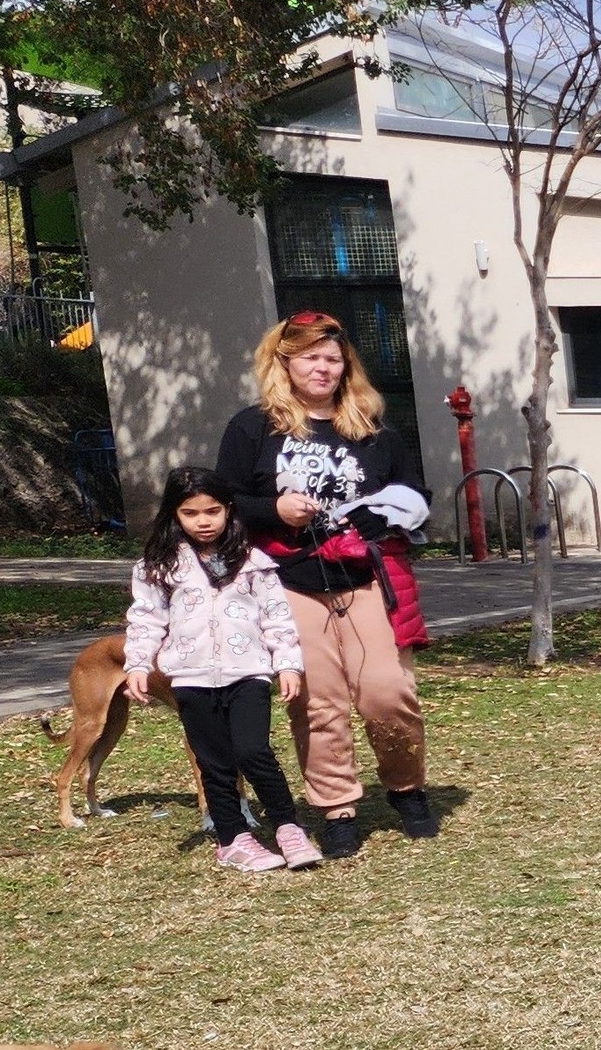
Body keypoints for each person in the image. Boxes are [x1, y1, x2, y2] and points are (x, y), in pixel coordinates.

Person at [217, 311, 435, 860]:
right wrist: (275, 510)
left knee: (387, 691)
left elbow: (415, 492)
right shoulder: (252, 428)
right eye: (310, 357)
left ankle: (406, 787)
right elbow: (225, 502)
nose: (323, 368)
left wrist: (384, 516)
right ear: (284, 363)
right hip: (288, 581)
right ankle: (336, 808)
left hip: (364, 577)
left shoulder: (373, 429)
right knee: (318, 702)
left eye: (333, 358)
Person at [122, 466, 320, 872]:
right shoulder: (159, 566)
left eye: (212, 511)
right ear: (174, 515)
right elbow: (146, 619)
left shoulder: (253, 562)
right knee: (213, 762)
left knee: (253, 752)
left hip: (248, 674)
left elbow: (277, 617)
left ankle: (288, 827)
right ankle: (233, 839)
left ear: (228, 509)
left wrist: (287, 664)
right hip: (191, 678)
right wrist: (138, 663)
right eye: (190, 513)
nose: (203, 521)